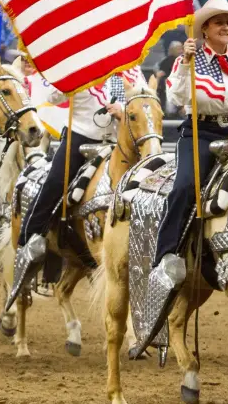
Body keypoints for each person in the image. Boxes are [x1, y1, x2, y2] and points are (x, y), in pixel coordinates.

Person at [141, 0, 228, 343]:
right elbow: (178, 97)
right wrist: (185, 61)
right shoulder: (191, 60)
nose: (226, 27)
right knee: (184, 188)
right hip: (201, 133)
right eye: (218, 23)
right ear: (205, 29)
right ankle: (167, 256)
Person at [9, 64, 143, 301]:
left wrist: (124, 110)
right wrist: (68, 79)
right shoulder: (80, 62)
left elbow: (144, 99)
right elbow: (52, 95)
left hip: (120, 143)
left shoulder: (131, 66)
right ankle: (30, 241)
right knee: (53, 185)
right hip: (80, 137)